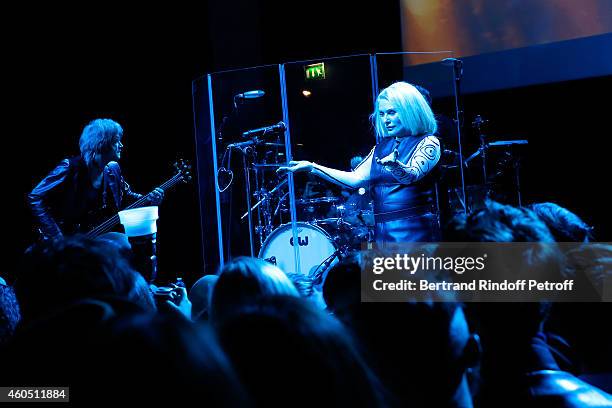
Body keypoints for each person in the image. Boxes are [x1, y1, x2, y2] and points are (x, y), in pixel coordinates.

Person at [278, 82, 442, 243]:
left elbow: (411, 176)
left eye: (392, 112)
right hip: (383, 231)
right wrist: (312, 167)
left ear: (410, 111)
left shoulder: (429, 142)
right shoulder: (382, 147)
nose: (386, 120)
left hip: (415, 231)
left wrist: (394, 165)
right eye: (382, 114)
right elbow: (355, 179)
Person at [28, 118, 164, 239]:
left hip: (93, 236)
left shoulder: (113, 169)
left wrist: (150, 199)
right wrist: (57, 237)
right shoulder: (69, 167)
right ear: (101, 144)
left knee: (122, 243)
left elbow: (126, 196)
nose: (121, 145)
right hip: (66, 238)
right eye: (116, 141)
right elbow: (35, 197)